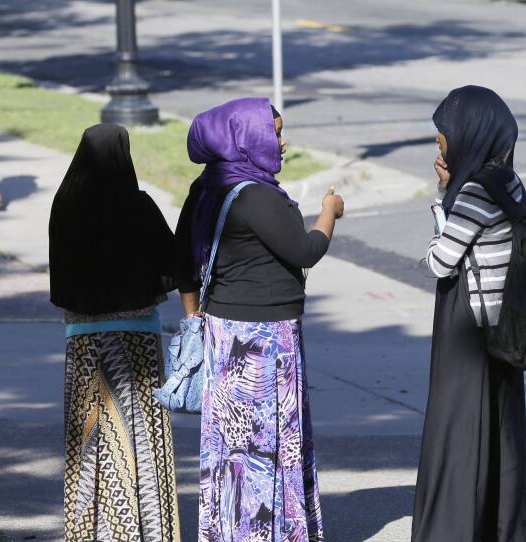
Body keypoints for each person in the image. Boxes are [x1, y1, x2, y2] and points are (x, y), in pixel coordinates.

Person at [175, 97, 343, 542]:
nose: (283, 143)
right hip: (264, 342)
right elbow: (306, 250)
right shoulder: (256, 196)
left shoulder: (206, 188)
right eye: (275, 133)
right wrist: (330, 212)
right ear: (247, 139)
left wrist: (195, 319)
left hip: (223, 334)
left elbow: (180, 263)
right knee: (266, 445)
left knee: (234, 447)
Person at [49, 124, 180, 541]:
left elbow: (61, 276)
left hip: (83, 341)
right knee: (140, 439)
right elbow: (174, 266)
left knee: (89, 440)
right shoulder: (138, 206)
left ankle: (89, 530)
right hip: (137, 339)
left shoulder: (65, 204)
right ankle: (143, 530)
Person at [412, 86, 526, 542]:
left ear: (468, 135)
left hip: (471, 328)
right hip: (507, 326)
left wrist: (442, 202)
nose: (439, 145)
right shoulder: (508, 181)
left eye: (443, 136)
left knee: (458, 433)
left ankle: (451, 529)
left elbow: (440, 261)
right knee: (499, 435)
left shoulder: (476, 192)